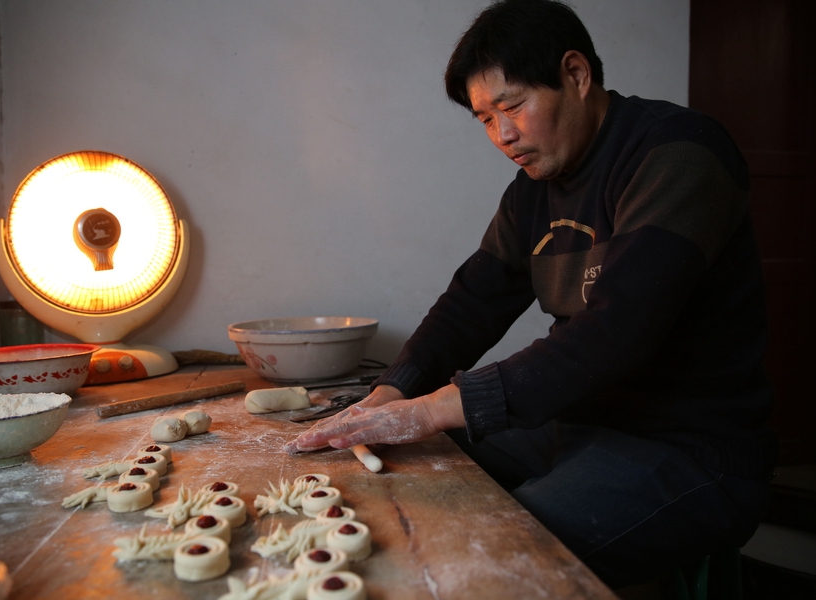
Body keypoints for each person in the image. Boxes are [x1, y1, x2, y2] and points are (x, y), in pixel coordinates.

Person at [285, 0, 776, 588]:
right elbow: (471, 302)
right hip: (577, 423)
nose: (504, 135)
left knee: (494, 552)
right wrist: (391, 394)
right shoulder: (533, 191)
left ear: (576, 74)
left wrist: (433, 409)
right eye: (484, 119)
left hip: (689, 448)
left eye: (512, 106)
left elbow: (616, 333)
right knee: (409, 471)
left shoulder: (679, 151)